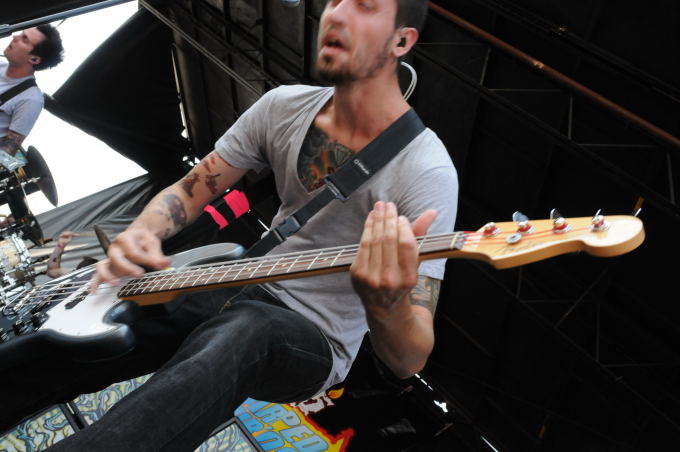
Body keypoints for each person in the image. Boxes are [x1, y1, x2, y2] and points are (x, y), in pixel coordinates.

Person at [4, 0, 458, 448]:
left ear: (402, 40)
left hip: (315, 338)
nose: (336, 14)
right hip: (236, 285)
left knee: (247, 330)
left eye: (364, 5)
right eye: (335, 0)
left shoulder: (426, 169)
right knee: (95, 325)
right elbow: (192, 189)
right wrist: (142, 233)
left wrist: (386, 304)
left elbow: (409, 358)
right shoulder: (283, 106)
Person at [0, 25, 64, 169]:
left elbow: (7, 151)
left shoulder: (31, 99)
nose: (15, 37)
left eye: (24, 39)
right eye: (21, 34)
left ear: (34, 59)